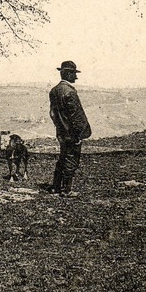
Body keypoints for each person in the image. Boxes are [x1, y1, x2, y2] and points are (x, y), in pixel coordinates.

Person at [49, 61, 91, 196]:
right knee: (71, 159)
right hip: (72, 133)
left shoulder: (54, 91)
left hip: (61, 132)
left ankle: (55, 187)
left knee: (63, 158)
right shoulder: (70, 92)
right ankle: (66, 190)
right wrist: (79, 134)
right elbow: (76, 116)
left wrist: (59, 127)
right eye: (74, 74)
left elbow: (53, 114)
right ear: (67, 73)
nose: (76, 77)